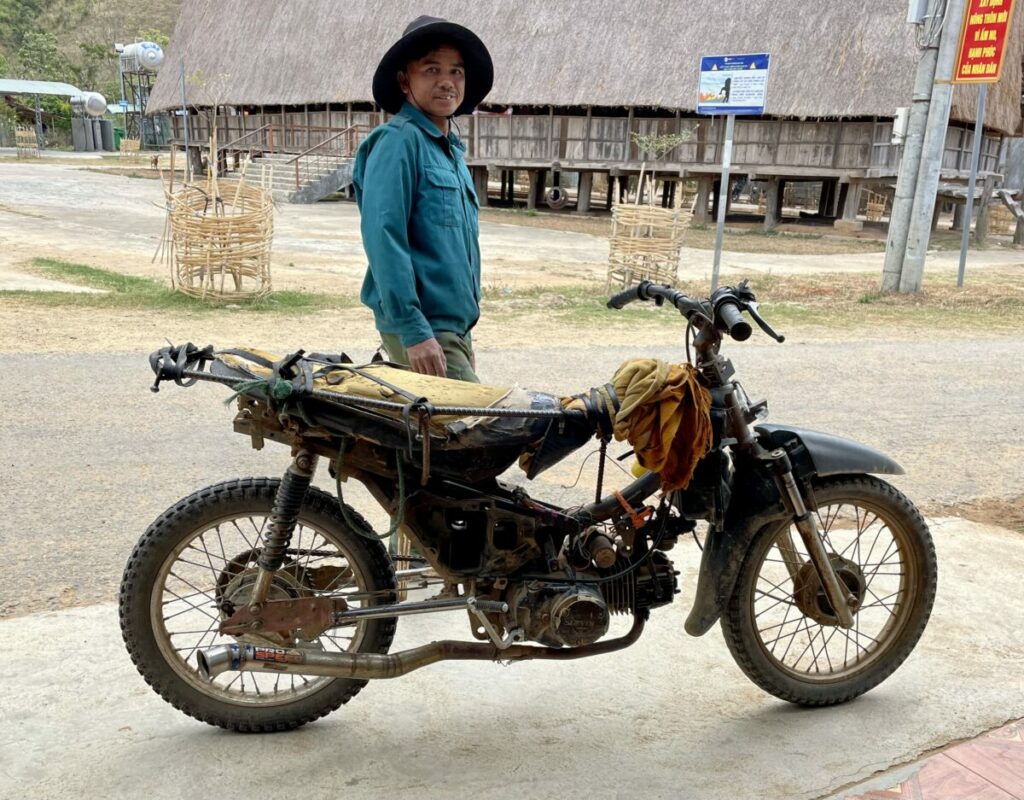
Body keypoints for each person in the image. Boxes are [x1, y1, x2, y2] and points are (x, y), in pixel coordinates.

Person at [353, 16, 493, 382]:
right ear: (405, 80)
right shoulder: (399, 142)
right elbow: (384, 238)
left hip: (450, 331)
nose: (447, 81)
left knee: (437, 436)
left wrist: (462, 340)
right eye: (432, 69)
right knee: (486, 431)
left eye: (456, 72)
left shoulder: (450, 153)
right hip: (423, 328)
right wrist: (415, 331)